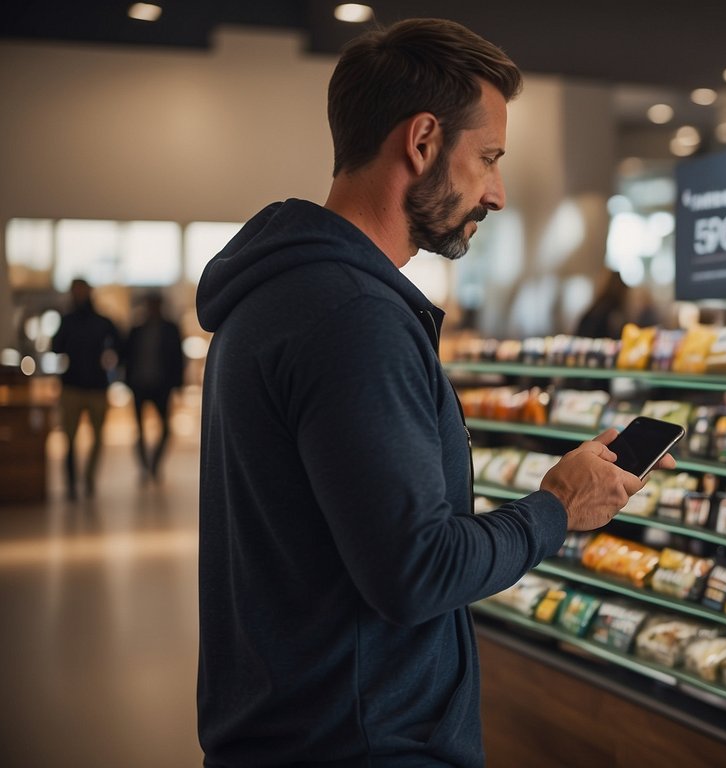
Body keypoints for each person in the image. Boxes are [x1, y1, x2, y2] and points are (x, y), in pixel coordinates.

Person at [194, 18, 667, 767]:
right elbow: (417, 573)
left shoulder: (275, 296)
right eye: (487, 159)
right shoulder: (352, 318)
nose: (498, 193)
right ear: (420, 142)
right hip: (363, 743)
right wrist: (556, 509)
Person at [51, 278, 120, 500]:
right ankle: (72, 483)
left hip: (96, 387)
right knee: (69, 439)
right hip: (72, 386)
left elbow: (120, 345)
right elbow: (56, 347)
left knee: (97, 438)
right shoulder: (67, 320)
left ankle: (88, 479)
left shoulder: (101, 321)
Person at [121, 292, 184, 482]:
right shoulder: (137, 329)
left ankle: (154, 464)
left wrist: (177, 383)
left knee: (165, 428)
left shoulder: (170, 329)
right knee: (139, 429)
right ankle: (144, 467)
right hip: (139, 384)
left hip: (161, 385)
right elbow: (127, 356)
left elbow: (177, 358)